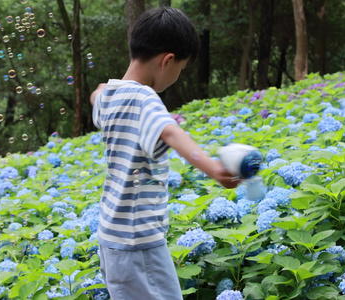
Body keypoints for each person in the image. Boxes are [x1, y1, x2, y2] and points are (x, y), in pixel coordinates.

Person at [90, 6, 241, 300]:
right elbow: (169, 131)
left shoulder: (110, 94)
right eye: (181, 69)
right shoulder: (144, 97)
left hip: (111, 239)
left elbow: (97, 97)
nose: (178, 75)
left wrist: (97, 92)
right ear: (167, 60)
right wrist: (213, 169)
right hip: (138, 240)